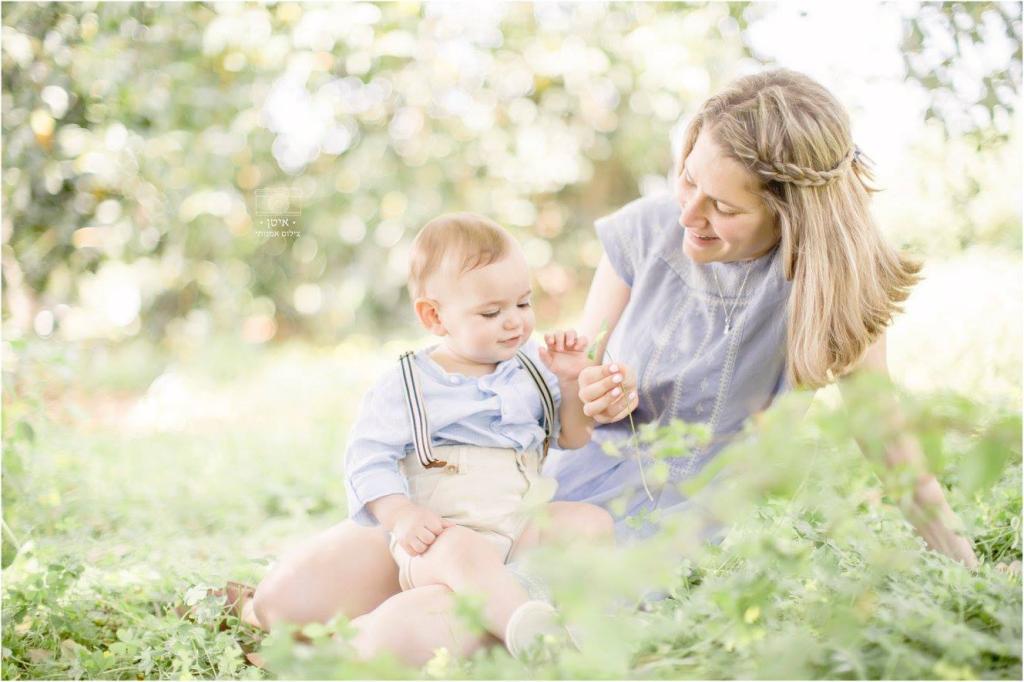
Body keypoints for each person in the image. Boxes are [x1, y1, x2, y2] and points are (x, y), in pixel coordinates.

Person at [244, 68, 979, 664]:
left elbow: (883, 433)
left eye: (722, 206)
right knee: (284, 602)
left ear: (792, 214)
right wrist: (586, 388)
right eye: (687, 180)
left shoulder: (832, 288)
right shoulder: (649, 231)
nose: (689, 214)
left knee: (408, 631)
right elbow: (561, 375)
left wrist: (956, 556)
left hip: (654, 517)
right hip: (548, 483)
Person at [344, 212, 612, 661]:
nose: (514, 323)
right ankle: (535, 637)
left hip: (517, 528)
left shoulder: (528, 369)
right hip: (443, 541)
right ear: (435, 316)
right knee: (464, 549)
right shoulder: (408, 383)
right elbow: (367, 459)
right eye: (491, 312)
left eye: (523, 305)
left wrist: (569, 381)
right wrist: (402, 514)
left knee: (591, 523)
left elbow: (572, 436)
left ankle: (586, 621)